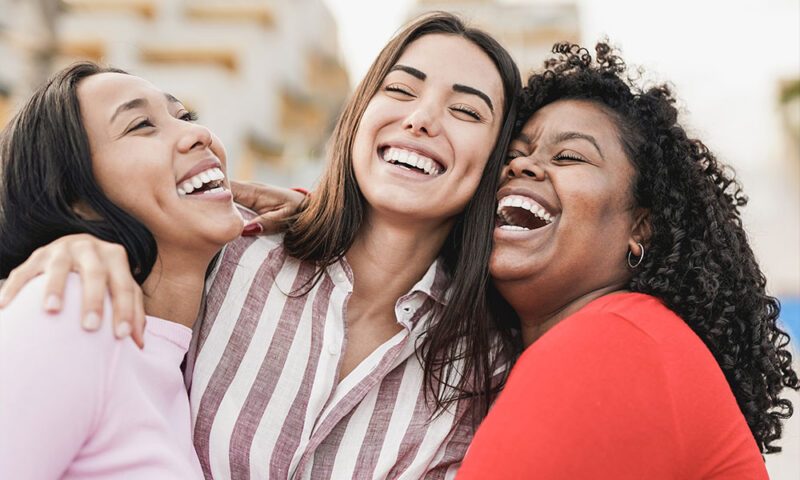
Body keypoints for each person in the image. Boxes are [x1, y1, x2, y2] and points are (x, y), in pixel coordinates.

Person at [0, 13, 522, 479]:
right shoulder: (228, 251)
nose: (423, 118)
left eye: (468, 112)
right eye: (401, 91)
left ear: (498, 162)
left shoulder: (490, 363)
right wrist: (65, 246)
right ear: (358, 113)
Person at [454, 42, 799, 479]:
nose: (523, 167)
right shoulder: (629, 337)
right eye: (513, 155)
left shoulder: (608, 342)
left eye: (569, 156)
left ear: (640, 229)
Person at [0, 62, 244, 477]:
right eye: (142, 125)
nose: (198, 133)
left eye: (184, 116)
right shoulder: (67, 309)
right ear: (77, 200)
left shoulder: (173, 356)